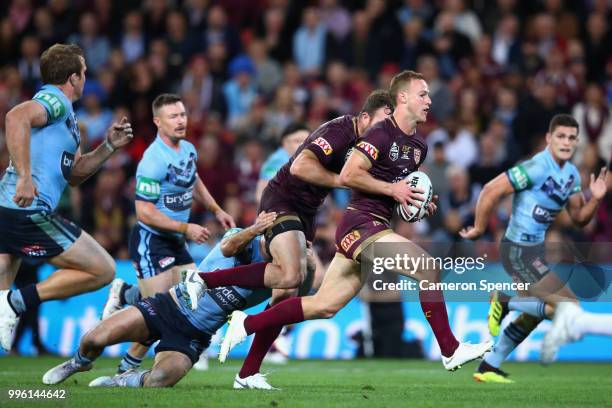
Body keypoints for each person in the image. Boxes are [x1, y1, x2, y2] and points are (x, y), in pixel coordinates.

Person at [198, 70, 492, 375]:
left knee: (323, 306)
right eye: (423, 94)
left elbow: (395, 185)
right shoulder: (380, 133)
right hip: (361, 225)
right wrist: (394, 190)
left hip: (377, 225)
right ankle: (450, 349)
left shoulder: (419, 146)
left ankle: (246, 324)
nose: (430, 101)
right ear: (402, 98)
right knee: (427, 267)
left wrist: (416, 202)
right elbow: (351, 175)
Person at [179, 89, 394, 382]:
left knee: (287, 294)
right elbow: (300, 165)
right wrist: (341, 181)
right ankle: (203, 280)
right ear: (365, 116)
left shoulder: (370, 145)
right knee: (292, 274)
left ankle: (248, 374)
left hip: (306, 214)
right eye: (384, 120)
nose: (386, 129)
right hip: (281, 202)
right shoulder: (340, 130)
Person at [41, 211, 280, 388]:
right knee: (94, 339)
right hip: (167, 307)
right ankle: (79, 362)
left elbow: (295, 290)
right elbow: (228, 248)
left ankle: (127, 379)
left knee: (159, 380)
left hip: (194, 334)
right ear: (266, 234)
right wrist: (255, 228)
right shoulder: (240, 237)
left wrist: (307, 263)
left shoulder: (281, 273)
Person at [0, 43, 133, 351]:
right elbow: (15, 117)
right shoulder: (54, 99)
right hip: (27, 208)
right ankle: (18, 301)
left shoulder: (67, 118)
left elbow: (72, 175)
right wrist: (23, 177)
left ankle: (11, 301)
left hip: (8, 209)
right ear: (73, 78)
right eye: (84, 73)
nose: (86, 78)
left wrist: (108, 147)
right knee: (103, 269)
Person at [460, 114, 611, 383]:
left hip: (534, 252)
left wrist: (596, 198)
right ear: (549, 138)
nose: (566, 142)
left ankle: (489, 367)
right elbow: (491, 189)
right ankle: (503, 302)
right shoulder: (535, 167)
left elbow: (578, 218)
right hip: (517, 250)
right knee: (568, 305)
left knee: (540, 313)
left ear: (577, 142)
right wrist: (480, 228)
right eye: (561, 136)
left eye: (571, 138)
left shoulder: (572, 175)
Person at [100, 93, 234, 374]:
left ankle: (126, 294)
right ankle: (127, 367)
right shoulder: (152, 160)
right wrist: (186, 227)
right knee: (159, 312)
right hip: (152, 240)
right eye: (173, 116)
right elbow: (144, 212)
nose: (181, 120)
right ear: (157, 122)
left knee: (191, 294)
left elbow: (193, 179)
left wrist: (216, 209)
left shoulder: (187, 150)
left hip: (174, 240)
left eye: (183, 114)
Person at [254, 123, 310, 203]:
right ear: (285, 142)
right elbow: (263, 193)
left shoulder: (302, 160)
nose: (302, 144)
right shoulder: (276, 161)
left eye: (306, 141)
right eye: (297, 141)